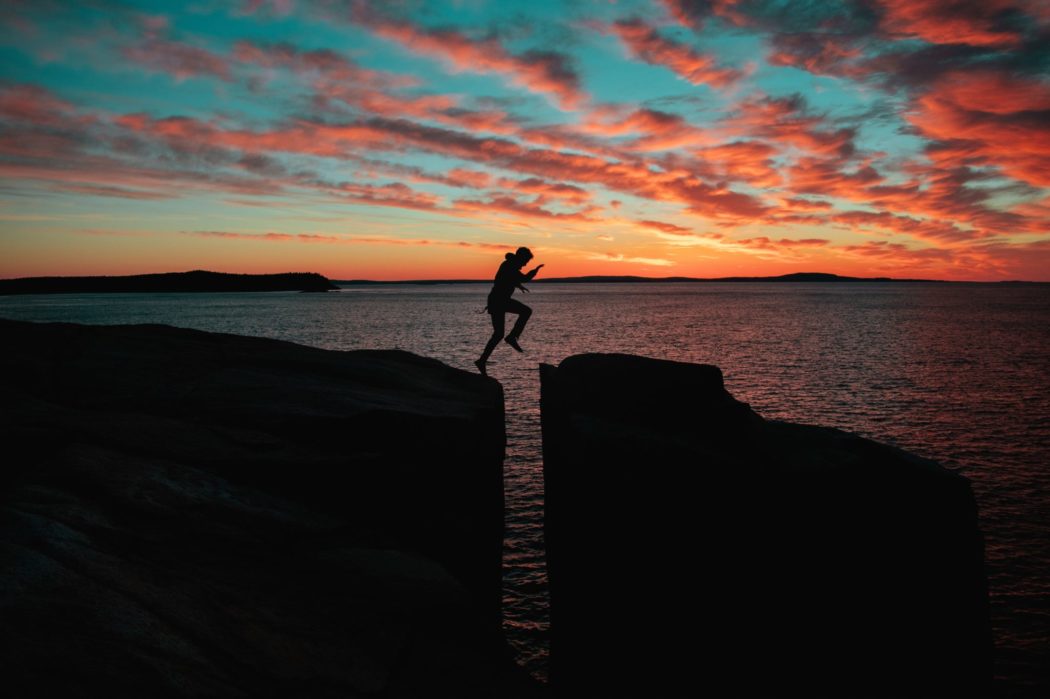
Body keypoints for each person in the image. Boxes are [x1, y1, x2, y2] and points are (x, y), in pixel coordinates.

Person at [475, 247, 543, 376]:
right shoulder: (510, 265)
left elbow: (508, 279)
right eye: (526, 260)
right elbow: (523, 278)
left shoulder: (510, 265)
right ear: (521, 257)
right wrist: (535, 271)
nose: (526, 264)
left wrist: (518, 286)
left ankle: (482, 360)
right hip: (499, 301)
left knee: (498, 334)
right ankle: (511, 337)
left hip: (498, 300)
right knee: (525, 312)